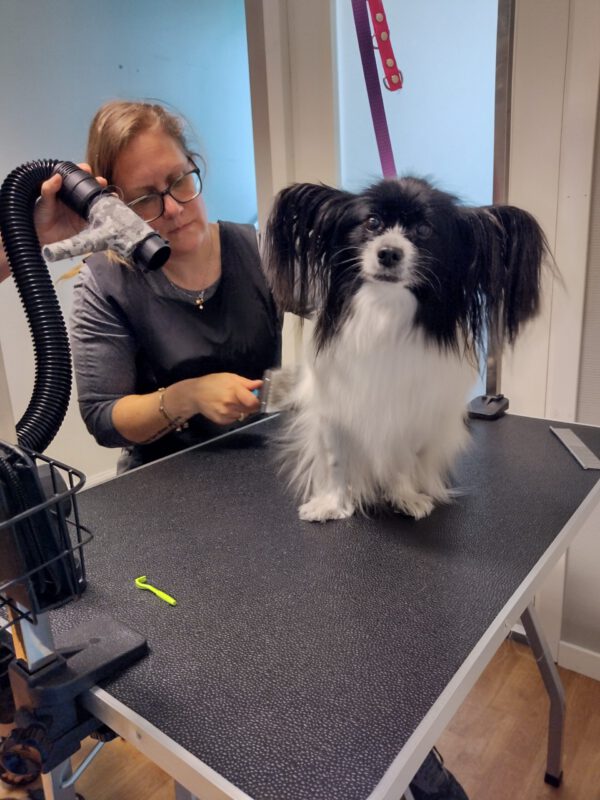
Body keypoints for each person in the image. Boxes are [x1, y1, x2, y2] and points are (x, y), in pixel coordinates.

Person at [65, 100, 281, 471]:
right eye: (146, 199)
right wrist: (188, 397)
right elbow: (103, 418)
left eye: (179, 180)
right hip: (164, 481)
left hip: (261, 463)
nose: (174, 210)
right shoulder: (107, 285)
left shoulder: (260, 251)